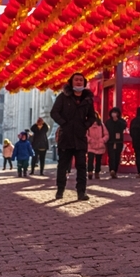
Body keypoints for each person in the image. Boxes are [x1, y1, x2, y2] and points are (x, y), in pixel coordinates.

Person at [50, 72, 97, 201]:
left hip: (80, 137)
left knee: (82, 166)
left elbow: (92, 116)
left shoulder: (87, 99)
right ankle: (60, 190)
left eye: (81, 80)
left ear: (84, 83)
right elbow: (54, 112)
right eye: (76, 80)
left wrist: (85, 125)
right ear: (71, 82)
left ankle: (81, 192)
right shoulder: (63, 97)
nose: (78, 82)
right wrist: (64, 123)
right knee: (63, 165)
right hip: (66, 137)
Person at [104, 108, 127, 179]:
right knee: (111, 156)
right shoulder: (108, 122)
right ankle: (112, 170)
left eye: (115, 112)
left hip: (119, 141)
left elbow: (124, 126)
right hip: (110, 141)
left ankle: (115, 171)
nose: (114, 114)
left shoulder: (122, 121)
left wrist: (117, 121)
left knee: (117, 156)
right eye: (112, 112)